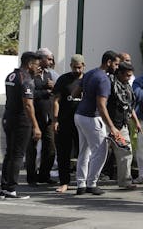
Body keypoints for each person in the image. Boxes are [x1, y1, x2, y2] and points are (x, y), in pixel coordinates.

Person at [74, 50, 124, 196]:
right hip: (91, 117)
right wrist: (112, 127)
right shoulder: (104, 79)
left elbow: (76, 92)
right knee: (101, 151)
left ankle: (81, 184)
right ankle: (91, 183)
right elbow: (101, 106)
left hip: (79, 115)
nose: (117, 67)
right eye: (115, 64)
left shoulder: (89, 73)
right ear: (108, 63)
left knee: (84, 151)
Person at [1, 51, 43, 199]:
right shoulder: (26, 79)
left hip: (8, 117)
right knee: (18, 154)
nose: (39, 68)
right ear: (30, 64)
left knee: (10, 153)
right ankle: (11, 188)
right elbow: (28, 105)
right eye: (37, 65)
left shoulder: (11, 75)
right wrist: (36, 126)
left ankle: (5, 187)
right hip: (21, 121)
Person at [52, 54, 85, 193]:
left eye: (79, 67)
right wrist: (55, 120)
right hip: (65, 122)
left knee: (83, 153)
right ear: (70, 66)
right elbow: (56, 101)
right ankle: (64, 182)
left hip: (83, 123)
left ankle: (82, 182)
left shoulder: (88, 80)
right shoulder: (63, 79)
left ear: (84, 66)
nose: (77, 70)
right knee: (63, 153)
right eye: (74, 67)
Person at [107, 61, 141, 189]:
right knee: (100, 154)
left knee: (126, 152)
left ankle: (125, 181)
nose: (128, 78)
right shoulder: (110, 84)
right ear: (119, 73)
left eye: (130, 76)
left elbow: (129, 105)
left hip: (122, 125)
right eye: (127, 75)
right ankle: (89, 181)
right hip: (108, 123)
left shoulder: (127, 87)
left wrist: (136, 121)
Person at [26, 48, 57, 186]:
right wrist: (45, 90)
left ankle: (44, 175)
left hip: (48, 116)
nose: (51, 62)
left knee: (50, 147)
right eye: (49, 59)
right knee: (32, 147)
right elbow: (28, 95)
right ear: (41, 59)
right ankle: (31, 177)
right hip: (34, 116)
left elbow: (55, 93)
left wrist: (53, 88)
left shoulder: (49, 74)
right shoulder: (31, 74)